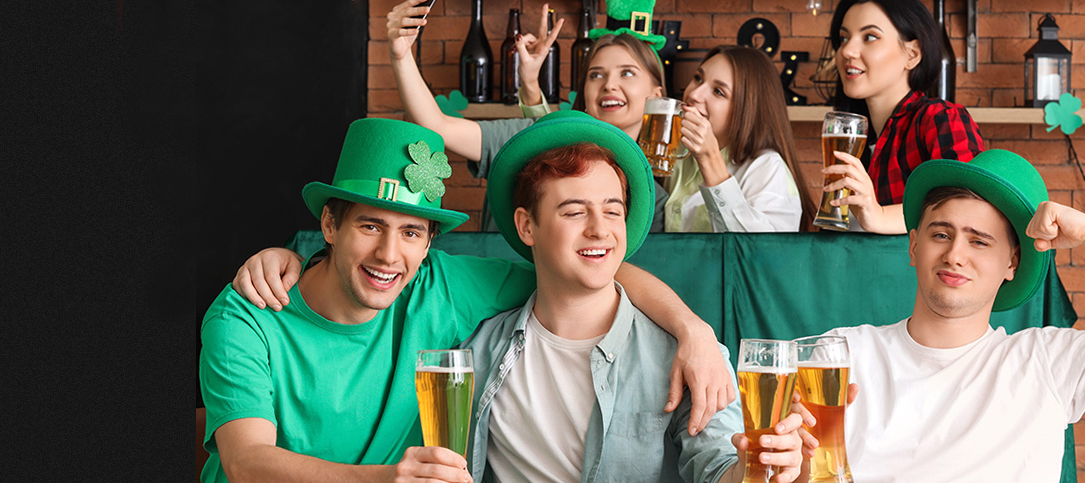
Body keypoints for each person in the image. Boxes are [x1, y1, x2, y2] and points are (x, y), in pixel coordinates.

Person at [202, 119, 735, 483]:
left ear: (430, 243)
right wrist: (389, 479)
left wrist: (692, 329)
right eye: (369, 225)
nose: (390, 255)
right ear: (329, 225)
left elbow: (583, 269)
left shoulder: (441, 286)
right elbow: (247, 462)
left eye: (411, 231)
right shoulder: (246, 313)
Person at [806, 149, 1085, 482]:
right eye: (941, 234)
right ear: (914, 246)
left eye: (979, 242)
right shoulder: (841, 354)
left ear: (1012, 263)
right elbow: (745, 445)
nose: (955, 255)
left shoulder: (1046, 362)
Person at [463, 110, 805, 482]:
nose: (600, 230)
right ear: (527, 226)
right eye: (575, 212)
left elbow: (719, 467)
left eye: (613, 211)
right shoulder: (480, 350)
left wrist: (758, 464)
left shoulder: (686, 353)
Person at [387, 0, 670, 232]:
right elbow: (439, 126)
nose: (609, 84)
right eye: (596, 75)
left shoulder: (655, 197)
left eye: (627, 74)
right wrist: (401, 55)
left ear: (657, 96)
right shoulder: (540, 137)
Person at [820, 0, 985, 234]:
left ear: (913, 54)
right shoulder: (859, 139)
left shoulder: (941, 119)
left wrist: (879, 215)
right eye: (844, 38)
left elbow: (967, 208)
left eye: (870, 37)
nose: (847, 51)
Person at [666, 45, 817, 232]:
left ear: (747, 111)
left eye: (718, 91)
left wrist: (710, 160)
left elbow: (759, 255)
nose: (694, 94)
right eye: (698, 78)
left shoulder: (767, 168)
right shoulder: (677, 152)